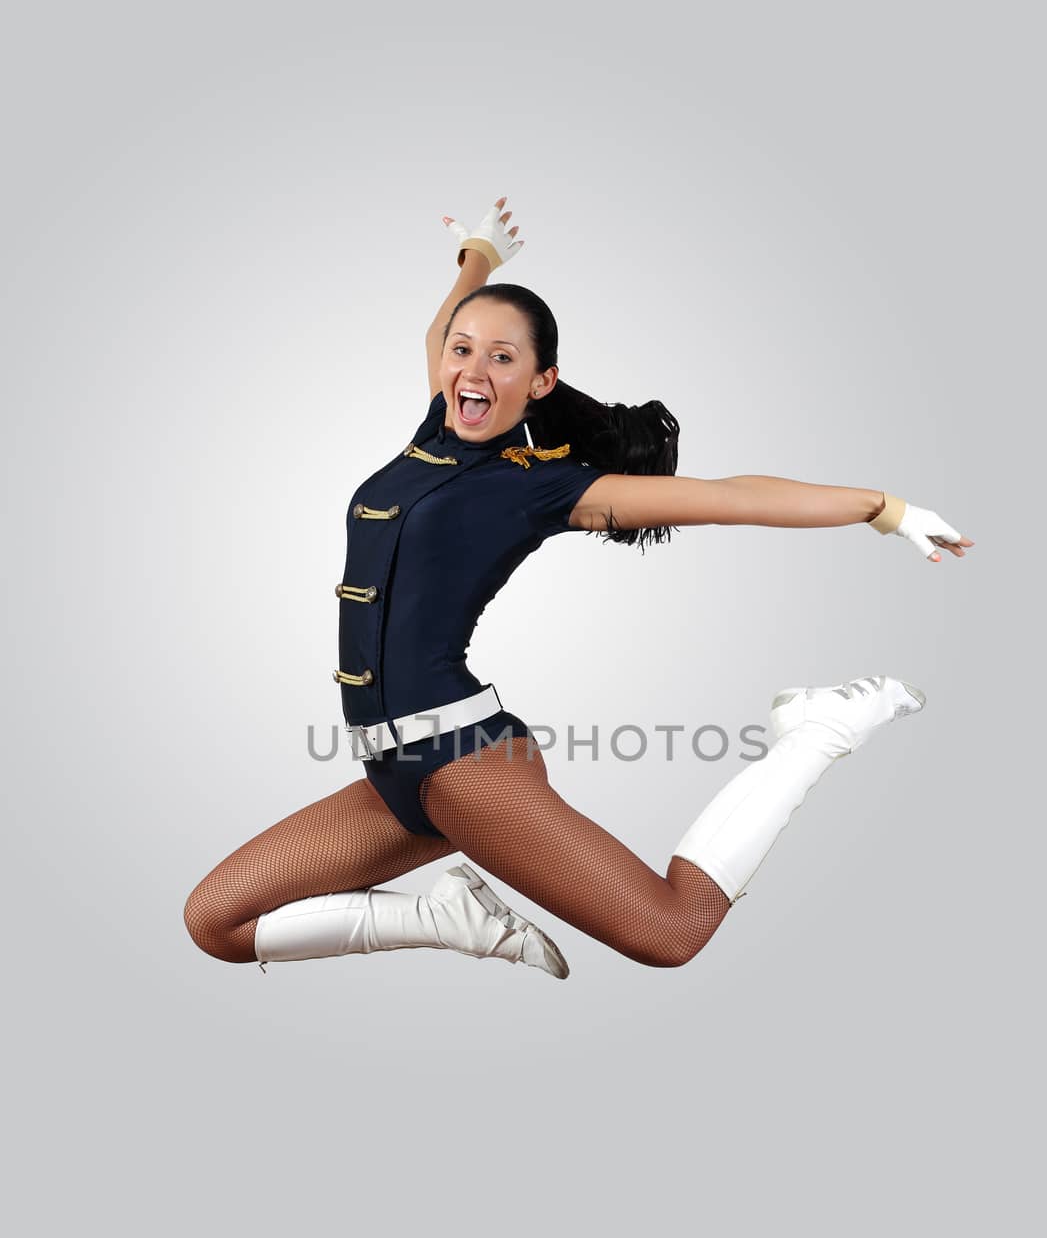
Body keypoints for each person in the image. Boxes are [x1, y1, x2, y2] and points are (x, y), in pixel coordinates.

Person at [183, 197, 974, 977]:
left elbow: (730, 496)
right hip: (392, 774)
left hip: (462, 763)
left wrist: (881, 508)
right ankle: (443, 919)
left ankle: (818, 730)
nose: (471, 367)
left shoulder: (541, 484)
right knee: (216, 922)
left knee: (671, 930)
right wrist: (481, 254)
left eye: (502, 357)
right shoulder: (437, 426)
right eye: (463, 352)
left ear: (539, 380)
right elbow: (444, 325)